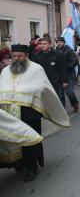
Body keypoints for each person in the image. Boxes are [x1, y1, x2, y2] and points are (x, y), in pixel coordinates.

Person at [0, 45, 70, 182]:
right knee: (16, 139)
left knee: (30, 139)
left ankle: (31, 167)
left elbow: (41, 87)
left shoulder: (36, 69)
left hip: (30, 111)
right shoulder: (6, 71)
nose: (16, 59)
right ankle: (19, 163)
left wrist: (25, 91)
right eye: (14, 56)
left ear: (26, 55)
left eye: (19, 56)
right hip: (10, 111)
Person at [55, 37, 80, 112]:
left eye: (60, 42)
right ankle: (63, 111)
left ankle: (75, 104)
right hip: (59, 76)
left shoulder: (69, 50)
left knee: (69, 92)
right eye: (57, 42)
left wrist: (67, 67)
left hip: (69, 74)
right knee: (60, 94)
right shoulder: (55, 51)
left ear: (63, 42)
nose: (59, 43)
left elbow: (75, 61)